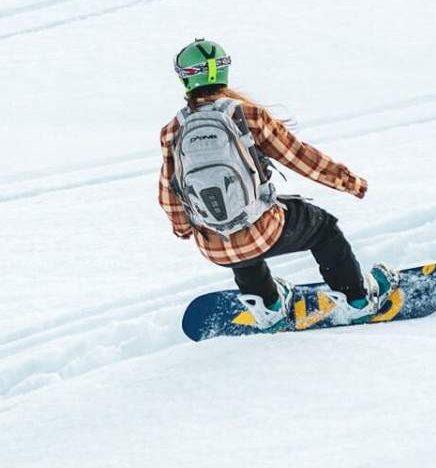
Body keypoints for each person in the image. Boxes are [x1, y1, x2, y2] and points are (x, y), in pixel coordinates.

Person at [159, 38, 396, 324]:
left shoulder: (173, 130)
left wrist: (186, 229)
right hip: (265, 231)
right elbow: (299, 157)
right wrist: (349, 182)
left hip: (214, 246)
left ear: (185, 78)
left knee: (230, 223)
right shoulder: (246, 115)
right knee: (323, 229)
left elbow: (168, 193)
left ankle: (268, 306)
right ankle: (358, 300)